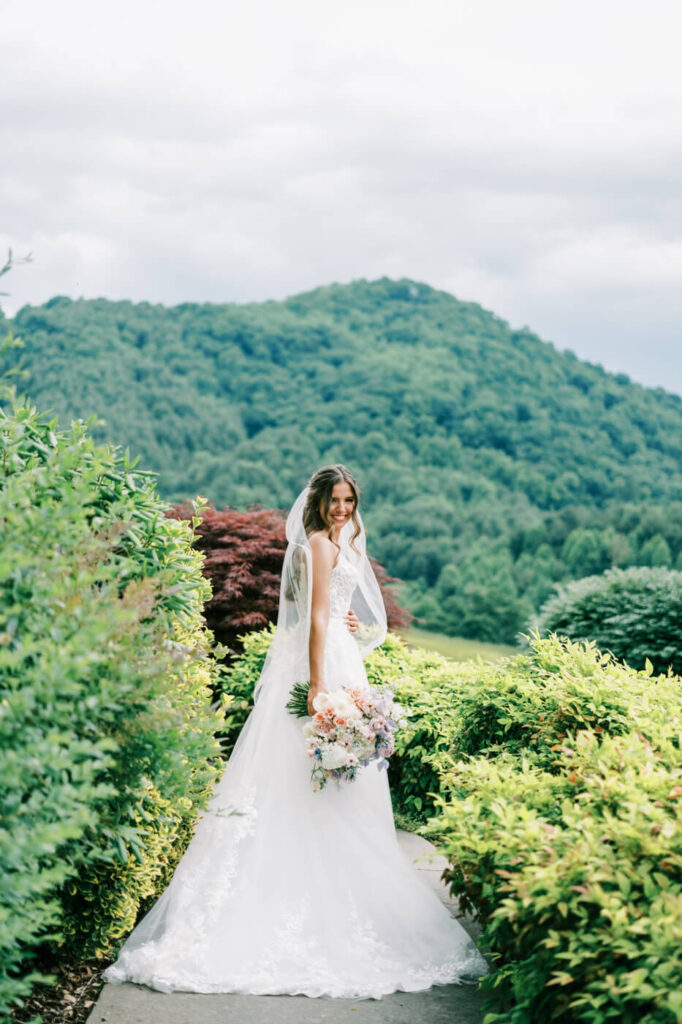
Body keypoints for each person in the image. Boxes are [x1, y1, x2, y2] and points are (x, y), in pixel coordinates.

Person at [102, 464, 489, 999]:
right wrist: (317, 685)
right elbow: (311, 619)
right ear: (318, 502)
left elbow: (323, 610)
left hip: (338, 653)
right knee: (318, 775)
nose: (343, 509)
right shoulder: (321, 545)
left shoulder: (327, 544)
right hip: (324, 664)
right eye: (335, 500)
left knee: (324, 778)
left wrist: (345, 627)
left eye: (349, 501)